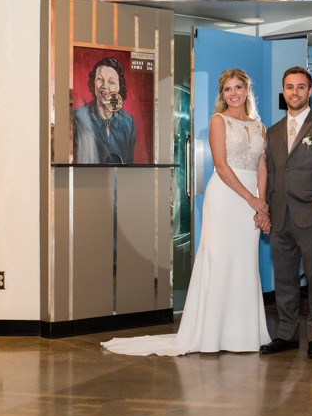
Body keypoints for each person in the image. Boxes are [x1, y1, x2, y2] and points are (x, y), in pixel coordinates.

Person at [101, 69, 271, 355]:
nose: (233, 93)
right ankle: (211, 334)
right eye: (227, 89)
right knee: (219, 261)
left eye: (238, 87)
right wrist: (251, 200)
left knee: (244, 263)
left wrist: (262, 205)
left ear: (246, 90)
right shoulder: (219, 121)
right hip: (226, 197)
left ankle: (242, 335)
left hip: (252, 200)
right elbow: (221, 166)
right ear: (222, 94)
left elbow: (262, 166)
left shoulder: (259, 126)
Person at [261, 66, 312, 360]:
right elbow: (270, 174)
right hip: (280, 216)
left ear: (309, 91)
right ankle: (286, 333)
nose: (294, 92)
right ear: (283, 92)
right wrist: (266, 210)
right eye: (288, 87)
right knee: (284, 279)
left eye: (300, 87)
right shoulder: (271, 132)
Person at [72, 56, 136, 164]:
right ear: (94, 82)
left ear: (119, 87)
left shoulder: (128, 122)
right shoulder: (78, 117)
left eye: (111, 82)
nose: (104, 86)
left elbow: (129, 163)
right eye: (100, 79)